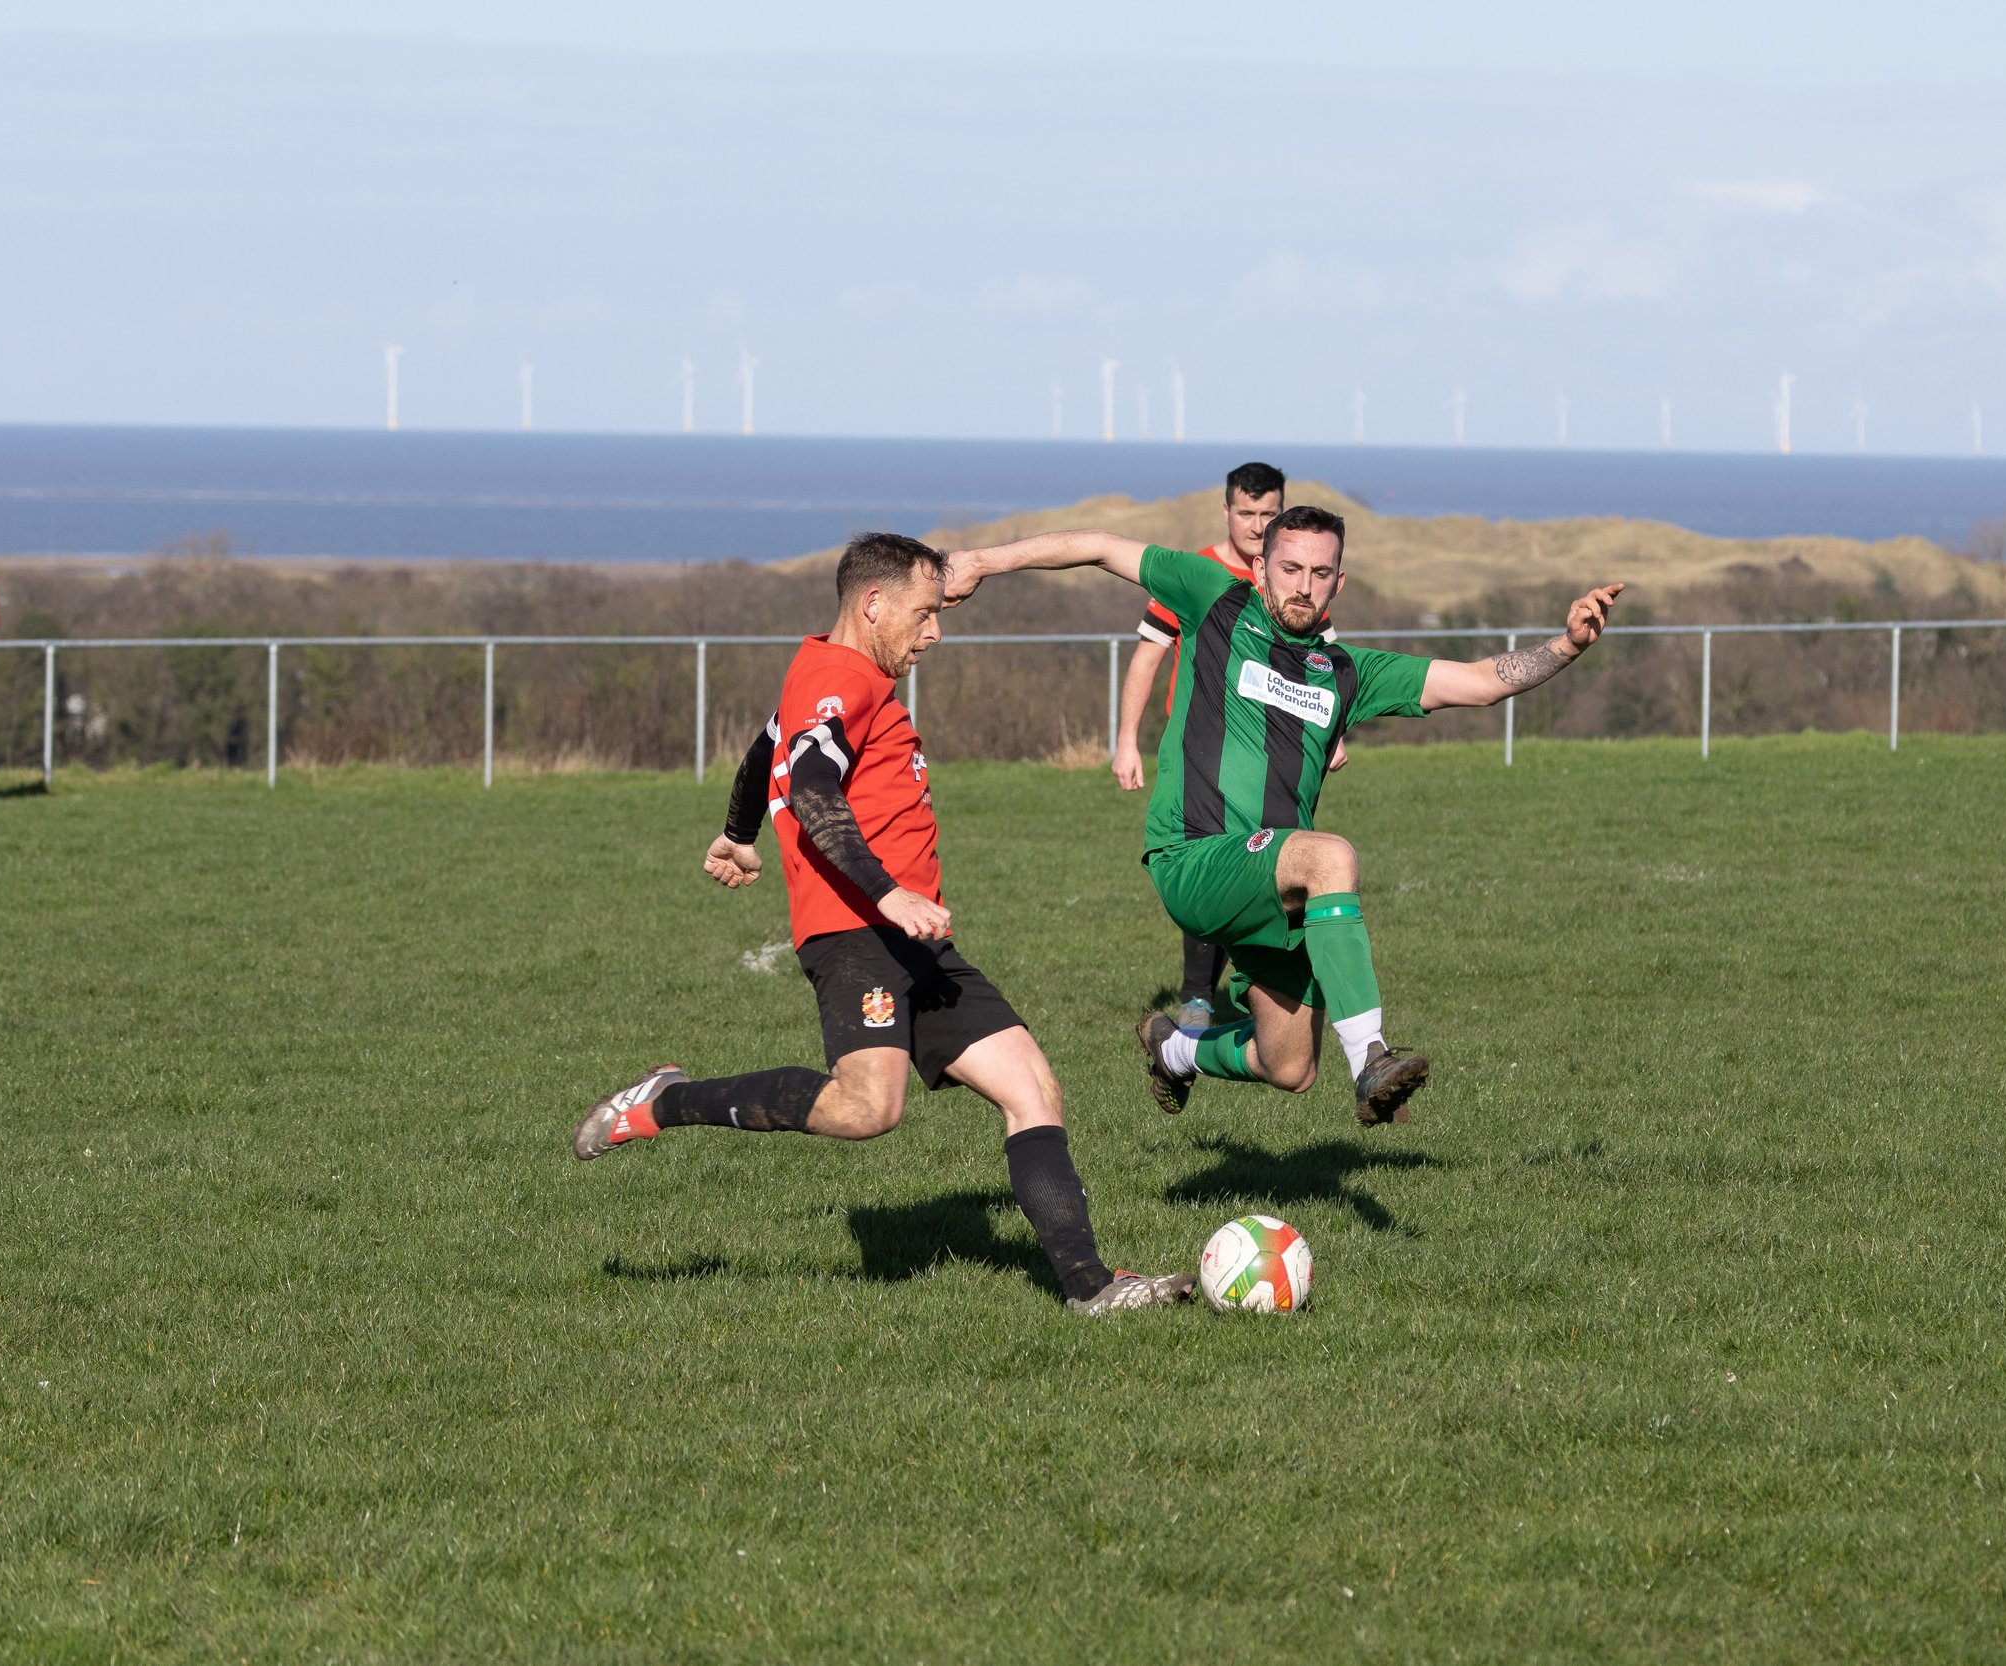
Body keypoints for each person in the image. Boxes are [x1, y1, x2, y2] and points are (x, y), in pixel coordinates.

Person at [571, 532, 1191, 1314]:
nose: (936, 632)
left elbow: (768, 751)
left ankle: (1092, 1288)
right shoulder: (842, 679)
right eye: (924, 614)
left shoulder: (827, 676)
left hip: (917, 940)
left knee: (1033, 1087)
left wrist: (737, 833)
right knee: (868, 1109)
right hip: (856, 931)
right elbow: (812, 788)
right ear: (873, 605)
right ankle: (666, 1101)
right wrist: (886, 892)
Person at [946, 506, 1620, 1125]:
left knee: (1289, 1065)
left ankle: (1174, 1050)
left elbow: (1475, 683)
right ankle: (1371, 1058)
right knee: (1331, 855)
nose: (1303, 584)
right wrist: (979, 561)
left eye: (1319, 573)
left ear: (1339, 583)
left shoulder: (1347, 672)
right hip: (1195, 857)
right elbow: (1096, 545)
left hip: (1275, 887)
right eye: (1290, 568)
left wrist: (1567, 646)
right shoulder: (1215, 598)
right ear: (1262, 566)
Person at [1110, 461, 1340, 1028]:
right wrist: (1125, 740)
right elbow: (1147, 656)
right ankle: (1197, 996)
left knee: (1267, 863)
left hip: (1274, 761)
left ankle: (1250, 989)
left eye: (1269, 514)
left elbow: (1333, 672)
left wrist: (1336, 734)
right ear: (1227, 513)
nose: (1257, 523)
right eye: (1247, 513)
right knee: (1207, 858)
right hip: (1200, 759)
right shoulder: (1200, 576)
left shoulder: (1297, 584)